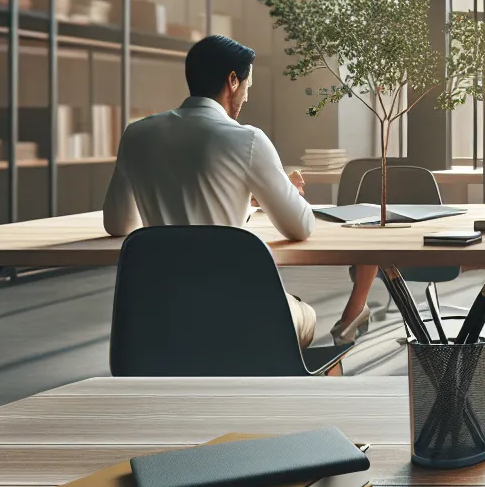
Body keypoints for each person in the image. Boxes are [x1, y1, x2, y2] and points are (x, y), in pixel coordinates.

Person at [101, 35, 379, 347]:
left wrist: (243, 197)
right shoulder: (247, 140)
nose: (246, 96)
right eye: (247, 85)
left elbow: (117, 224)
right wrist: (286, 192)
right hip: (239, 316)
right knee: (306, 314)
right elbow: (301, 226)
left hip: (158, 316)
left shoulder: (137, 134)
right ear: (233, 81)